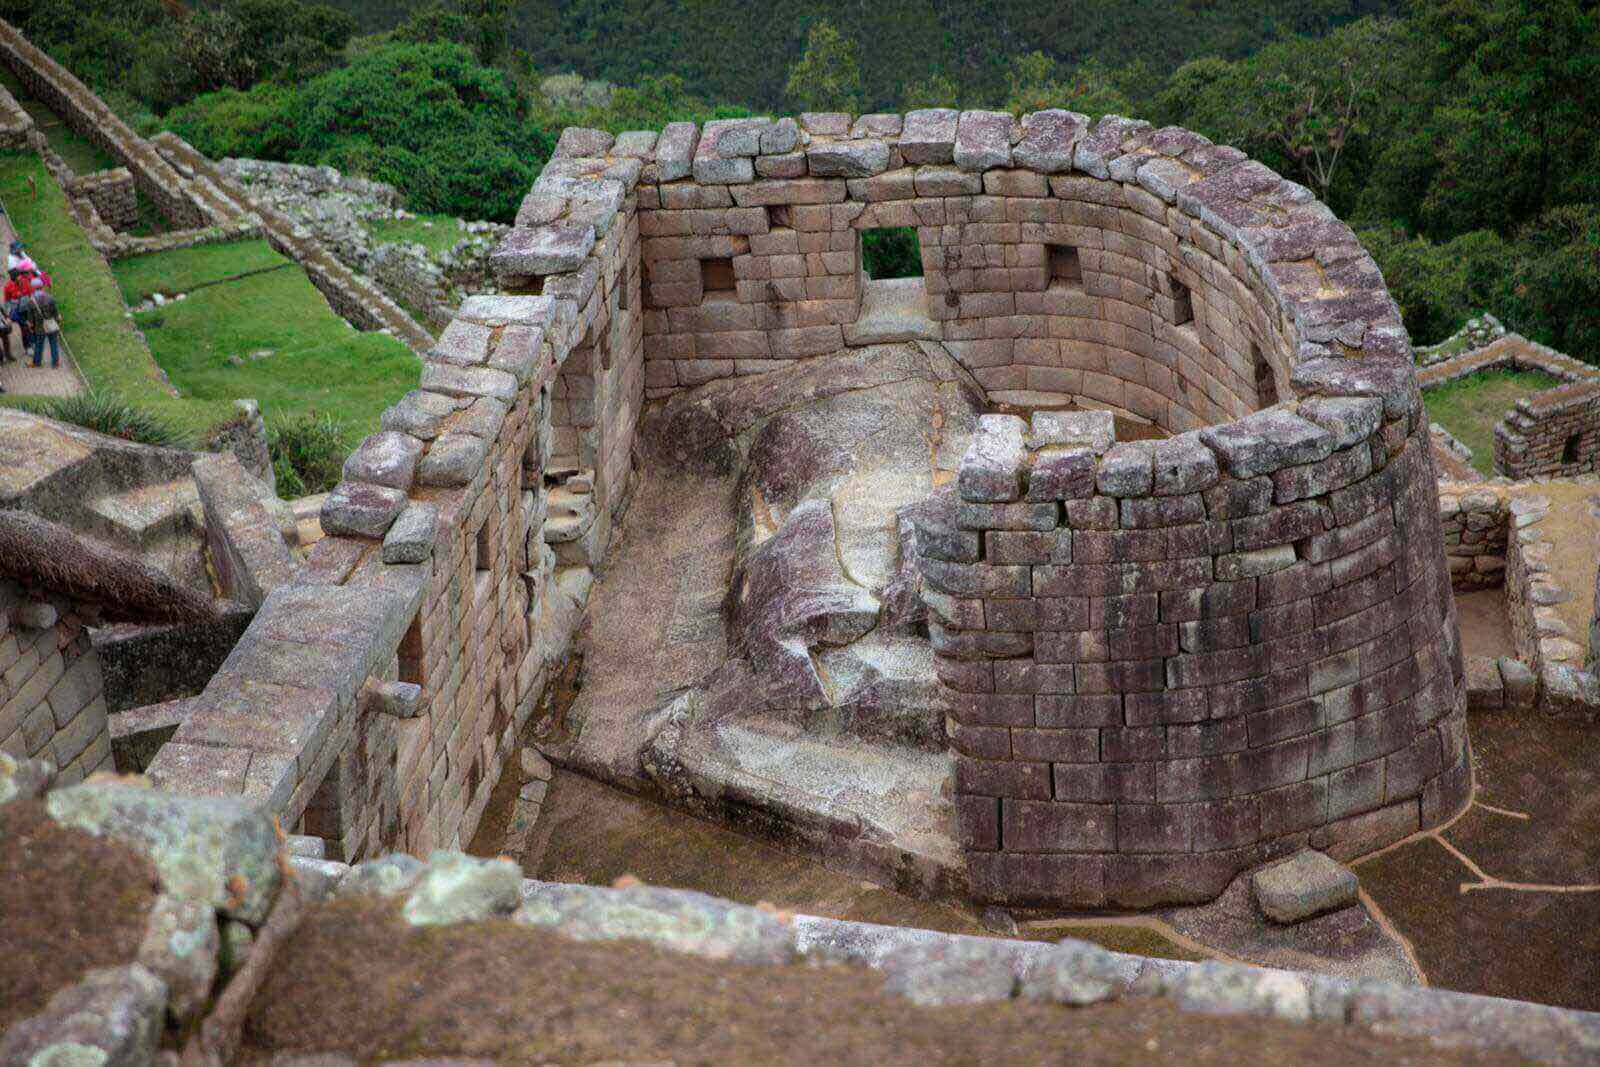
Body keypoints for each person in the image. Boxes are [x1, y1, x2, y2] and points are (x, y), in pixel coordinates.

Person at [22, 287, 60, 369]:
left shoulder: (31, 302)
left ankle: (37, 362)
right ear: (41, 288)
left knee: (39, 345)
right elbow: (56, 313)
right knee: (53, 344)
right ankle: (55, 363)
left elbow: (30, 321)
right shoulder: (50, 298)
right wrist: (57, 320)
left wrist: (30, 326)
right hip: (50, 326)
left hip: (40, 328)